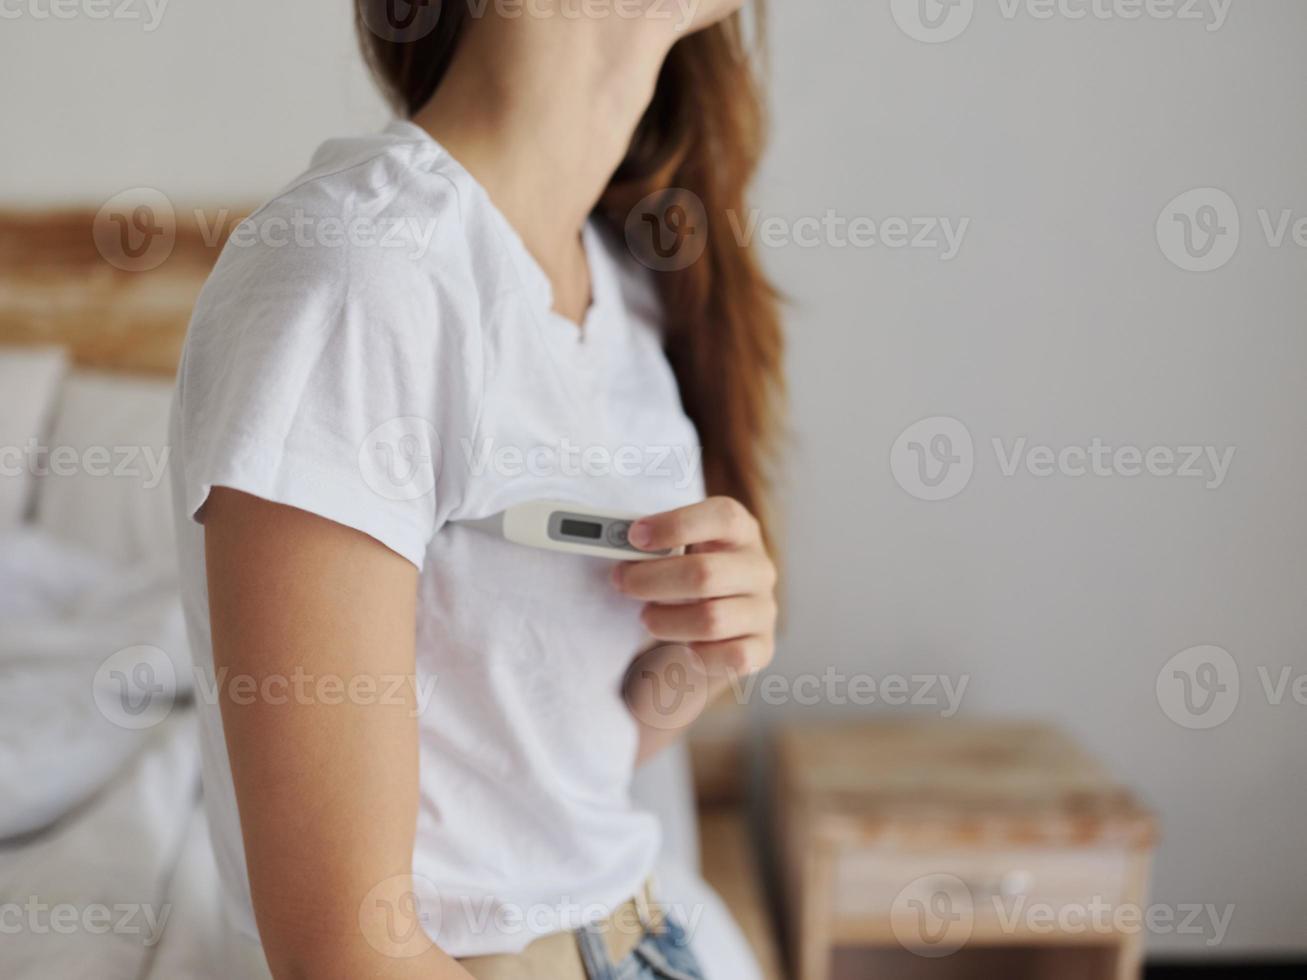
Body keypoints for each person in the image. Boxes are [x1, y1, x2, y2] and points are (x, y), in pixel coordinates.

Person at [169, 1, 783, 976]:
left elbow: (530, 779)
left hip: (643, 933)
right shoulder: (359, 272)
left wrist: (701, 653)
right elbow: (344, 952)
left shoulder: (617, 285)